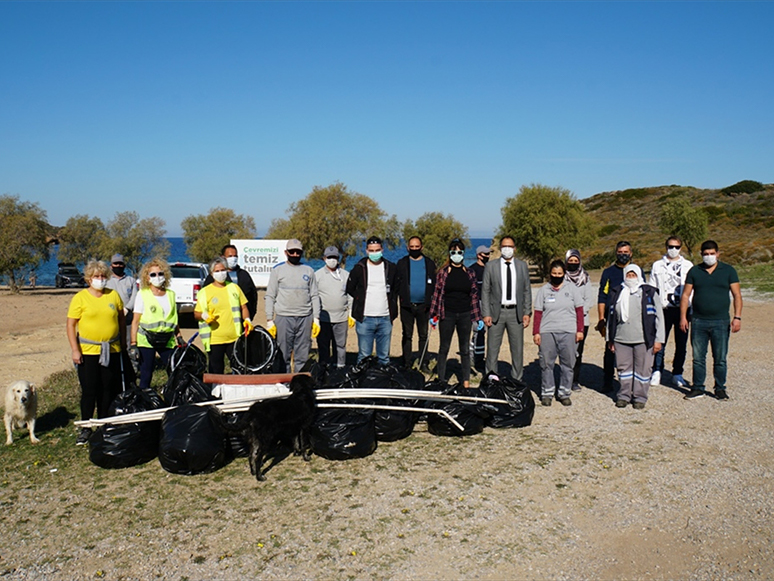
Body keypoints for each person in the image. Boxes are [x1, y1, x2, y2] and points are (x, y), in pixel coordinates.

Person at [66, 260, 126, 445]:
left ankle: (104, 423)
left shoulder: (113, 296)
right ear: (88, 279)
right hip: (88, 352)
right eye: (96, 277)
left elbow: (121, 320)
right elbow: (70, 324)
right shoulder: (80, 298)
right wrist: (75, 350)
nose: (100, 280)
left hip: (112, 350)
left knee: (108, 389)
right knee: (90, 390)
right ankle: (85, 427)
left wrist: (123, 343)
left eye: (102, 276)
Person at [679, 240, 742, 401]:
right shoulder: (695, 271)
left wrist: (737, 317)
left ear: (718, 254)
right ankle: (698, 387)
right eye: (706, 254)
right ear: (701, 254)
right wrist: (683, 317)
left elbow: (737, 295)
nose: (709, 257)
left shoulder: (728, 271)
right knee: (698, 357)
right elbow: (685, 295)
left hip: (721, 321)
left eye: (712, 254)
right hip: (699, 321)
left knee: (720, 358)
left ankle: (720, 388)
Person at [606, 264, 665, 409]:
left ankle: (640, 397)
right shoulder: (617, 292)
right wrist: (610, 339)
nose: (631, 278)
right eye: (628, 275)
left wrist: (659, 339)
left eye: (633, 275)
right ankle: (624, 395)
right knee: (623, 369)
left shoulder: (649, 292)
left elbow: (659, 317)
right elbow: (610, 317)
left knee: (643, 369)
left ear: (639, 275)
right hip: (621, 338)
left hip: (643, 339)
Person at [429, 239, 483, 387]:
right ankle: (441, 380)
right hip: (447, 314)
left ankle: (465, 381)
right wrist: (433, 315)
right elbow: (437, 294)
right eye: (454, 252)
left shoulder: (470, 273)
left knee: (464, 349)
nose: (457, 255)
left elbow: (474, 296)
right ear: (450, 254)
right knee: (444, 348)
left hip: (465, 314)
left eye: (459, 252)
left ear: (463, 254)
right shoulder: (443, 273)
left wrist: (477, 318)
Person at [533, 260, 585, 406]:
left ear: (564, 274)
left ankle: (564, 393)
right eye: (554, 273)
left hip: (568, 331)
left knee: (568, 364)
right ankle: (547, 393)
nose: (557, 276)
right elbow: (537, 313)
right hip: (547, 331)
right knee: (546, 364)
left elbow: (579, 311)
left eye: (559, 274)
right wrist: (536, 332)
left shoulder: (572, 289)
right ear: (550, 273)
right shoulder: (544, 290)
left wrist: (579, 330)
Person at [264, 239, 321, 373]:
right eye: (292, 252)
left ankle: (299, 383)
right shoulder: (277, 271)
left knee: (302, 356)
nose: (295, 254)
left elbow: (314, 295)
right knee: (283, 355)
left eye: (298, 252)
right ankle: (284, 383)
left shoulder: (309, 271)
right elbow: (270, 296)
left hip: (305, 318)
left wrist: (316, 319)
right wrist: (269, 320)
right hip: (283, 318)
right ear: (286, 252)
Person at [481, 235, 532, 381]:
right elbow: (485, 291)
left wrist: (527, 312)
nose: (507, 249)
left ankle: (516, 381)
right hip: (496, 313)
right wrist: (486, 313)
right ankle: (491, 380)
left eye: (510, 247)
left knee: (517, 350)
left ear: (514, 248)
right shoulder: (491, 266)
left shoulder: (522, 266)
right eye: (504, 247)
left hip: (516, 313)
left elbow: (526, 290)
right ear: (500, 248)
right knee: (492, 350)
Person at [129, 258, 184, 390]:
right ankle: (144, 401)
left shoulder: (171, 294)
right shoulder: (143, 294)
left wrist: (179, 336)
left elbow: (173, 319)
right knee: (146, 373)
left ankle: (173, 397)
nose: (157, 277)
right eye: (153, 274)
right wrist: (133, 344)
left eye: (160, 274)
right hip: (146, 339)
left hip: (167, 339)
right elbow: (135, 321)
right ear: (147, 278)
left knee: (173, 371)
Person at [346, 236, 398, 365]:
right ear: (367, 251)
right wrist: (360, 300)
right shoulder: (359, 268)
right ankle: (363, 382)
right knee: (364, 356)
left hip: (385, 318)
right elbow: (350, 288)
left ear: (382, 250)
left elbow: (396, 289)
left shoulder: (390, 268)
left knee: (384, 357)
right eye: (372, 250)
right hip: (365, 318)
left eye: (377, 250)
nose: (375, 253)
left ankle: (383, 382)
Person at [195, 257, 252, 375]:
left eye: (223, 270)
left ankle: (237, 390)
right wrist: (204, 316)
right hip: (215, 339)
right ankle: (216, 391)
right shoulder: (204, 292)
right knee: (216, 370)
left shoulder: (234, 288)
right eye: (217, 271)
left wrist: (247, 320)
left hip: (234, 337)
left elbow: (244, 307)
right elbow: (196, 313)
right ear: (211, 273)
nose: (221, 273)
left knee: (239, 367)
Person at [648, 236, 691, 388]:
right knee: (659, 340)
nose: (673, 250)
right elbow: (652, 288)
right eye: (670, 246)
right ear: (666, 247)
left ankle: (677, 373)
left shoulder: (688, 265)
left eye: (677, 247)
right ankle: (656, 371)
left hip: (682, 310)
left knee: (681, 343)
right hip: (663, 309)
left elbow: (691, 288)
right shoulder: (657, 265)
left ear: (681, 248)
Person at [596, 241, 633, 392]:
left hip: (631, 317)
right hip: (612, 317)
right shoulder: (609, 272)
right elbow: (602, 296)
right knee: (610, 350)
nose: (623, 255)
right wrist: (601, 319)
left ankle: (630, 382)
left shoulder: (635, 271)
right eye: (620, 252)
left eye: (625, 252)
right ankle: (607, 381)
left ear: (631, 253)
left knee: (631, 350)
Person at [396, 236, 436, 370]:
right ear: (408, 248)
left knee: (423, 335)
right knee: (407, 335)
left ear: (421, 247)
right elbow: (397, 283)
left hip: (424, 306)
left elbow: (434, 285)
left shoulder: (429, 263)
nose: (414, 249)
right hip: (406, 305)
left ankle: (423, 362)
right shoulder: (402, 263)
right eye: (411, 247)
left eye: (416, 247)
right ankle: (406, 363)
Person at [315, 246, 353, 368]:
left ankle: (340, 369)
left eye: (335, 257)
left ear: (338, 258)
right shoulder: (317, 275)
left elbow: (350, 295)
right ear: (324, 258)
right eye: (329, 257)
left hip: (341, 318)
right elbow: (313, 296)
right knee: (323, 346)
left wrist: (351, 313)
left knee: (340, 346)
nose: (332, 260)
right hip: (324, 319)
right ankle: (323, 369)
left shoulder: (345, 275)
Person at [203, 244, 258, 320]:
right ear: (223, 257)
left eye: (235, 256)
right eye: (230, 256)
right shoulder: (214, 276)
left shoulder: (244, 275)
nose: (233, 258)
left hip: (242, 319)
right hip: (220, 319)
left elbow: (253, 295)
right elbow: (204, 297)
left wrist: (250, 315)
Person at [564, 249, 594, 390]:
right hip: (564, 319)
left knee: (577, 351)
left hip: (582, 320)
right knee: (565, 350)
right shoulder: (561, 277)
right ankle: (564, 378)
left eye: (576, 261)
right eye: (571, 261)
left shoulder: (585, 278)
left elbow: (589, 299)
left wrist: (579, 313)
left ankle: (574, 380)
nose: (573, 263)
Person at [105, 253, 137, 343]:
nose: (118, 266)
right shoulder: (106, 280)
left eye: (120, 264)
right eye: (115, 264)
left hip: (128, 319)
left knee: (127, 342)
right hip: (110, 317)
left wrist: (126, 309)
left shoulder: (131, 280)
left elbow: (134, 296)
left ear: (124, 265)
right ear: (111, 266)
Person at [469, 245, 490, 373]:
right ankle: (475, 359)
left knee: (484, 332)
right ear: (478, 255)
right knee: (478, 331)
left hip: (489, 304)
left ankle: (479, 357)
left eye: (488, 254)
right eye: (485, 254)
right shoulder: (472, 270)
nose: (487, 256)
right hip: (477, 304)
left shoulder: (490, 269)